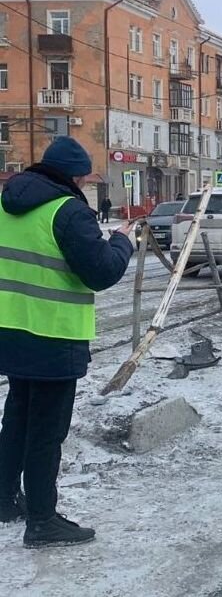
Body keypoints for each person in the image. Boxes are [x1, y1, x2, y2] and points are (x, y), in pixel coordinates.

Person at [0, 137, 134, 548]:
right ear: (76, 175)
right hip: (54, 334)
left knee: (17, 418)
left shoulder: (7, 203)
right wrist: (122, 241)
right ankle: (42, 521)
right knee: (46, 430)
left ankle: (4, 501)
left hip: (11, 329)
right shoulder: (69, 211)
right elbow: (100, 273)